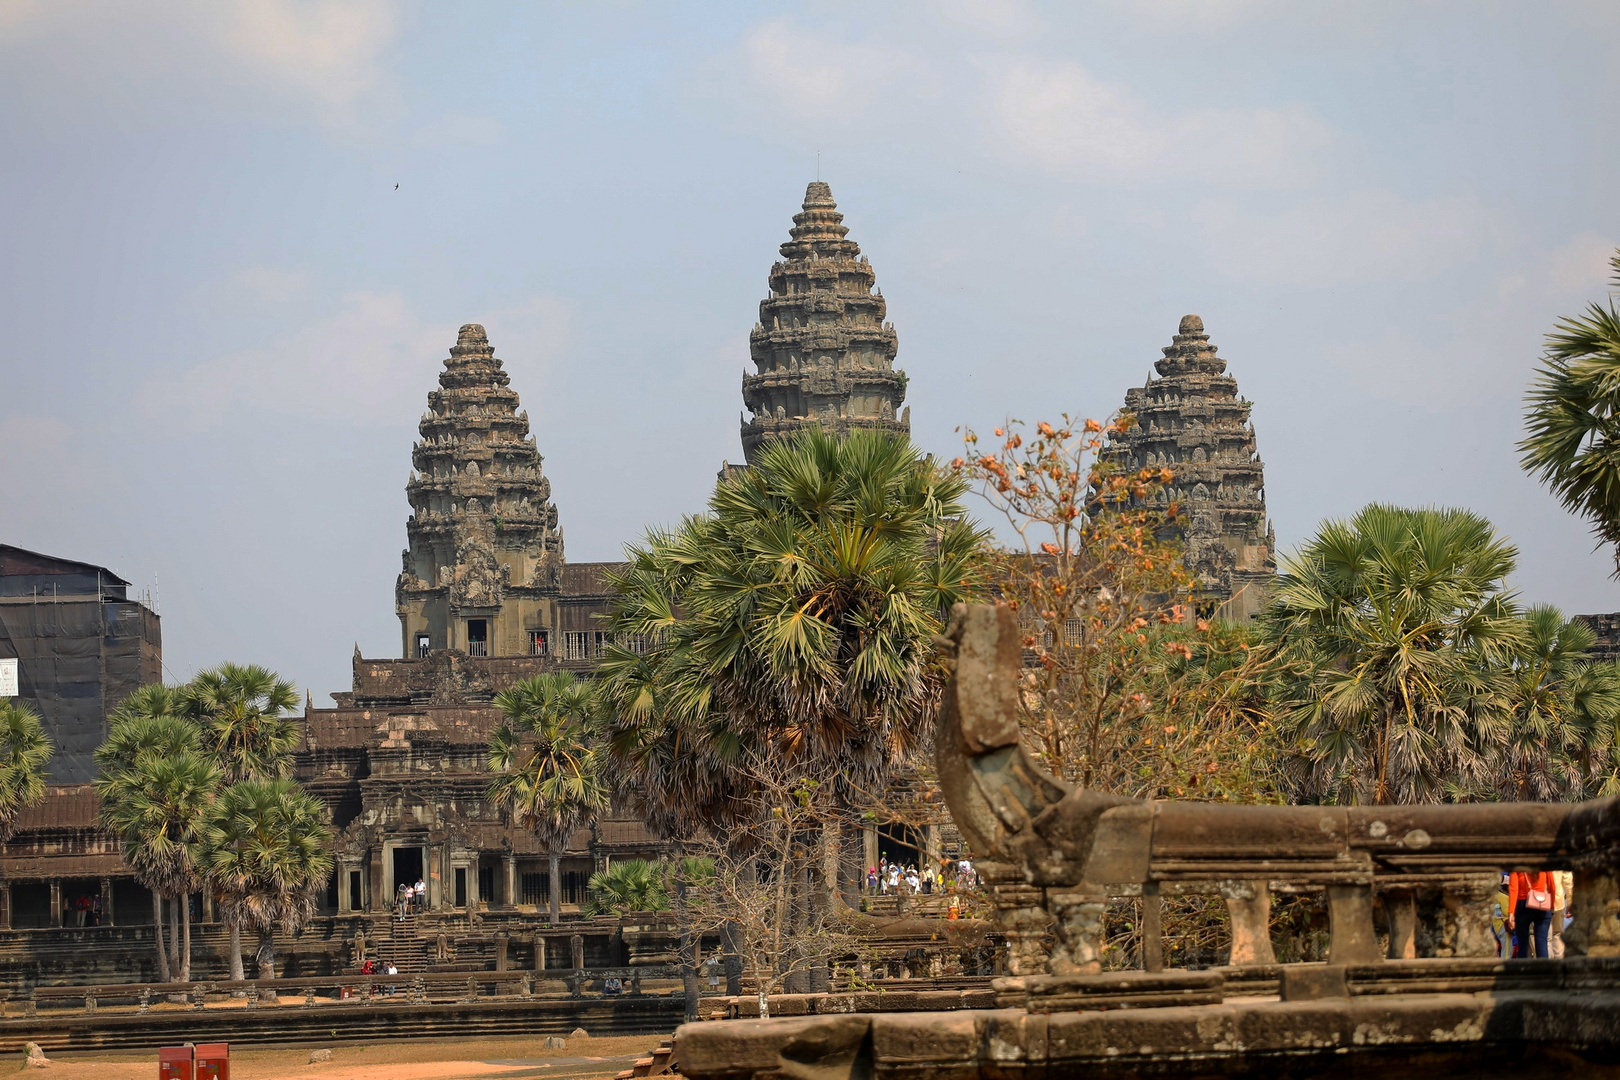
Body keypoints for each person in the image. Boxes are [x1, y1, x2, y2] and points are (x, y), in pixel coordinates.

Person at [1507, 870, 1556, 959]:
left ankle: (1522, 970)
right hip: (1542, 904)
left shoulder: (1517, 867)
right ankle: (1543, 970)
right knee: (1542, 941)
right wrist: (1552, 905)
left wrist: (1511, 912)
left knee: (1522, 944)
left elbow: (1513, 889)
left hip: (1522, 906)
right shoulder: (1544, 864)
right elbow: (1552, 886)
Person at [1491, 874, 1511, 958]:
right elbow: (1506, 912)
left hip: (1498, 925)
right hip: (1504, 925)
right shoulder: (1503, 896)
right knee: (1507, 949)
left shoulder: (1496, 895)